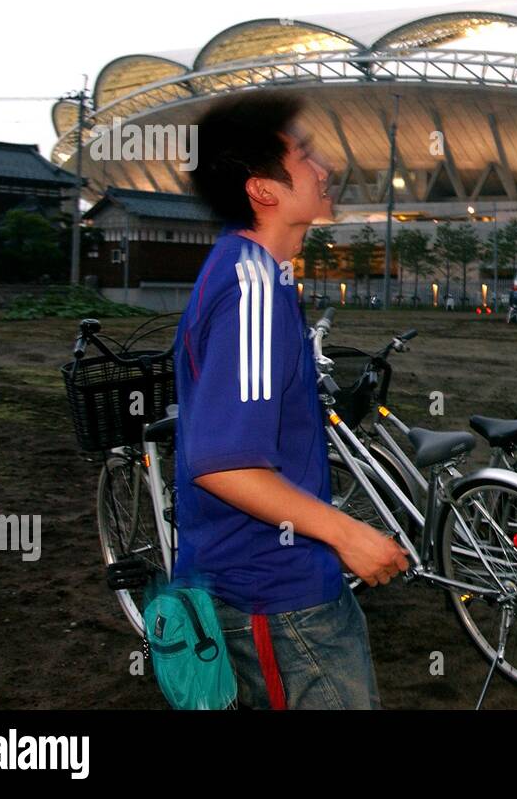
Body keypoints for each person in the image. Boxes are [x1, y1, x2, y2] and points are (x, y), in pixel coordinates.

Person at [172, 93, 408, 709]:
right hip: (275, 599)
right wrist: (348, 535)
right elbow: (224, 463)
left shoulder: (259, 273)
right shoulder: (250, 287)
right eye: (303, 156)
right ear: (263, 190)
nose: (324, 168)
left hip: (273, 587)